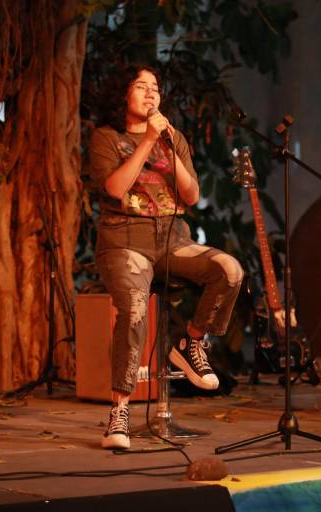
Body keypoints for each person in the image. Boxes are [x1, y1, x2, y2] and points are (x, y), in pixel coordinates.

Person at [87, 64, 244, 449]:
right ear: (123, 96)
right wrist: (146, 143)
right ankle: (119, 414)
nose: (150, 93)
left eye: (155, 87)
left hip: (173, 239)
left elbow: (191, 196)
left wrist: (168, 145)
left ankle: (190, 343)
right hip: (125, 240)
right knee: (136, 308)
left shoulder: (174, 139)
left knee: (230, 269)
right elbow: (115, 186)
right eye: (141, 86)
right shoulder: (107, 138)